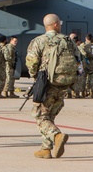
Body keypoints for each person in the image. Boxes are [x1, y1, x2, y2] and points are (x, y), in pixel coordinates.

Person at [25, 14, 78, 158]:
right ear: (56, 25)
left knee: (40, 115)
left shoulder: (39, 41)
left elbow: (31, 62)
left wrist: (36, 77)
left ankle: (56, 136)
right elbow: (78, 59)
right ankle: (45, 149)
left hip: (47, 83)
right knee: (49, 115)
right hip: (64, 84)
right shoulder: (68, 41)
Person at [81, 33, 93, 98]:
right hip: (92, 65)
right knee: (92, 79)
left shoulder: (82, 46)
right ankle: (92, 93)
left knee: (83, 79)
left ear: (86, 38)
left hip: (84, 65)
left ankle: (83, 92)